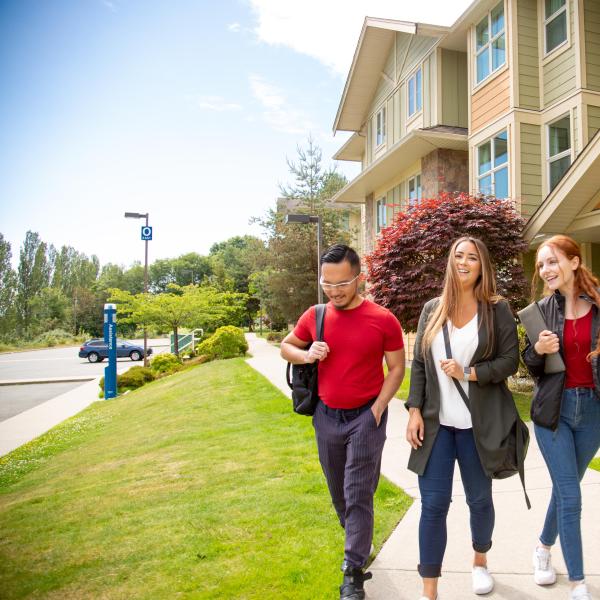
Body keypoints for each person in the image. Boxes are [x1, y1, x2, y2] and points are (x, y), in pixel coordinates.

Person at [280, 244, 405, 600]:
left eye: (342, 283)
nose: (334, 291)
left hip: (366, 416)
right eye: (327, 284)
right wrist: (307, 354)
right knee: (339, 492)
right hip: (326, 417)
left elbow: (396, 368)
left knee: (357, 493)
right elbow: (287, 347)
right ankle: (357, 537)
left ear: (360, 278)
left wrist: (379, 408)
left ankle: (352, 572)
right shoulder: (316, 314)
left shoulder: (383, 319)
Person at [405, 236, 520, 600]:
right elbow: (421, 365)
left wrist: (468, 373)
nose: (464, 262)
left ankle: (480, 561)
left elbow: (508, 362)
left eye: (472, 257)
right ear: (450, 262)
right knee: (433, 505)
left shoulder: (496, 308)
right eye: (458, 256)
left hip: (476, 427)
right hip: (437, 427)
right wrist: (413, 410)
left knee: (480, 501)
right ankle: (430, 591)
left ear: (482, 265)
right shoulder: (431, 309)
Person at [522, 235, 600, 600]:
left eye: (552, 261)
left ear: (573, 261)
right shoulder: (539, 311)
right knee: (571, 496)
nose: (546, 270)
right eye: (541, 264)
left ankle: (542, 547)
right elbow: (533, 366)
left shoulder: (598, 306)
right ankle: (578, 582)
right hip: (554, 414)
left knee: (565, 490)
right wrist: (537, 349)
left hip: (593, 413)